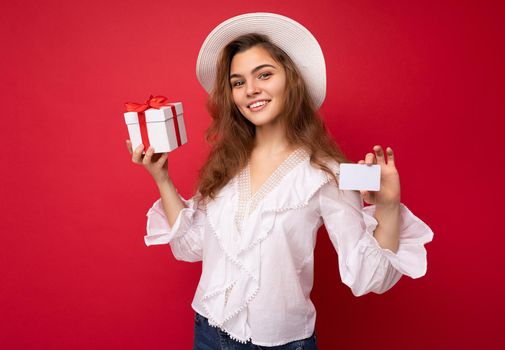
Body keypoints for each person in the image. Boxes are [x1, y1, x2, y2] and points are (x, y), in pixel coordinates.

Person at [125, 12, 433, 350]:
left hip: (281, 344)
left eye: (264, 75)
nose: (251, 90)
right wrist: (162, 178)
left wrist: (387, 208)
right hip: (207, 333)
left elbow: (368, 277)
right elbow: (191, 246)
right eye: (238, 82)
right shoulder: (225, 163)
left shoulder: (326, 172)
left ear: (292, 79)